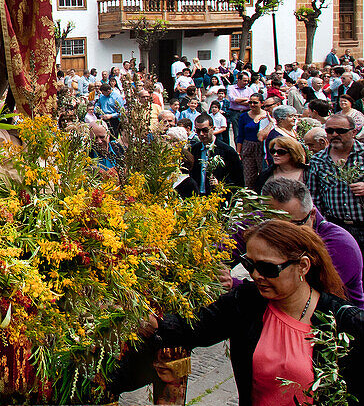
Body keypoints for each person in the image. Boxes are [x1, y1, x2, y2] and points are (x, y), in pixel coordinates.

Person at [136, 219, 364, 406]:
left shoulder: (344, 322)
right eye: (249, 265)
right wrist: (152, 322)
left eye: (267, 268)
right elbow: (197, 326)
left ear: (303, 266)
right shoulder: (248, 301)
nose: (256, 275)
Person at [261, 177, 364, 307]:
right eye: (276, 227)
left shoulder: (339, 245)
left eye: (295, 226)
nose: (285, 235)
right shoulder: (264, 222)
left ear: (313, 214)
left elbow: (298, 294)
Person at [307, 113, 364, 250]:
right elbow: (313, 196)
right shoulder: (318, 160)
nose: (334, 134)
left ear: (354, 132)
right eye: (329, 131)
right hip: (336, 226)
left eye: (340, 131)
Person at [183, 114, 244, 192]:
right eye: (198, 131)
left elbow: (238, 178)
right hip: (197, 196)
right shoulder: (193, 150)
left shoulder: (227, 151)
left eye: (205, 130)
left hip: (218, 196)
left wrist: (221, 185)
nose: (201, 134)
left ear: (213, 129)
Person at [236, 95, 268, 188]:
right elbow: (240, 135)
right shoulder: (244, 116)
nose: (252, 105)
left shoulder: (267, 116)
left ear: (262, 103)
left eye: (255, 102)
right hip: (248, 147)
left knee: (264, 174)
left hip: (262, 147)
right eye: (250, 102)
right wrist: (238, 151)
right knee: (249, 176)